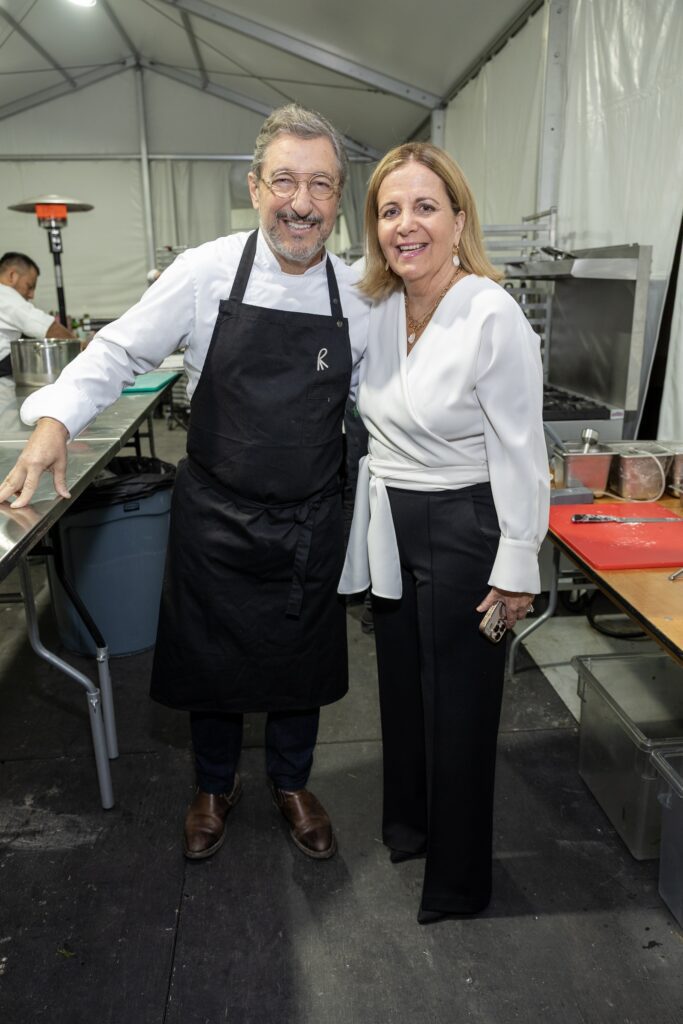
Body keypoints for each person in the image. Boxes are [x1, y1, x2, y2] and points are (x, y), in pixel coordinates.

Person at [0, 105, 369, 863]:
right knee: (212, 660)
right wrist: (55, 422)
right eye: (285, 182)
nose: (301, 203)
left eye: (321, 185)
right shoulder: (206, 271)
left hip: (308, 517)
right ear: (255, 185)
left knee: (299, 664)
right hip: (217, 514)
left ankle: (292, 782)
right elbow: (119, 350)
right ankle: (213, 783)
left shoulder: (359, 291)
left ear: (338, 198)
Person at [339, 143, 549, 923]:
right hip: (391, 518)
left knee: (460, 711)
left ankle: (458, 884)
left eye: (425, 207)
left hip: (467, 525)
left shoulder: (489, 311)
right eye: (390, 210)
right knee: (401, 693)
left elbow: (521, 449)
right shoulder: (381, 307)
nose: (406, 225)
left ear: (458, 221)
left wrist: (517, 562)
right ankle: (410, 826)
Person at [0, 252, 76, 376]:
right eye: (29, 286)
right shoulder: (4, 295)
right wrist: (81, 346)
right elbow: (48, 327)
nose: (31, 295)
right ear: (12, 276)